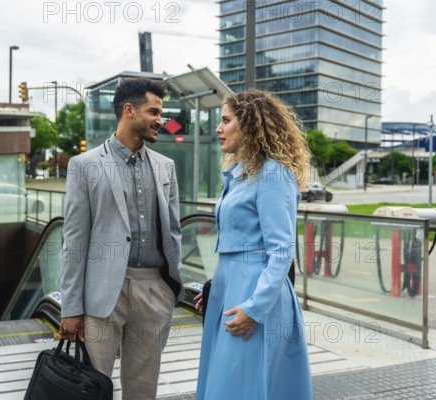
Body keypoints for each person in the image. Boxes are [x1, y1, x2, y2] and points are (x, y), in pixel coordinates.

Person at [59, 77, 185, 399]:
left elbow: (173, 232)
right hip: (101, 295)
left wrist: (170, 290)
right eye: (154, 112)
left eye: (162, 113)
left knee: (143, 388)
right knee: (94, 386)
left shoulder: (165, 167)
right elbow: (74, 240)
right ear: (129, 110)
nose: (161, 120)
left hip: (154, 291)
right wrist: (71, 308)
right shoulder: (84, 166)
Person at [194, 88, 313, 399]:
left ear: (248, 125)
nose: (218, 129)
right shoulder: (239, 174)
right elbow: (239, 239)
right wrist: (214, 288)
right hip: (230, 289)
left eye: (226, 120)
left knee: (241, 385)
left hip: (254, 296)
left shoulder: (274, 173)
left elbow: (281, 252)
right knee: (225, 381)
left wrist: (254, 309)